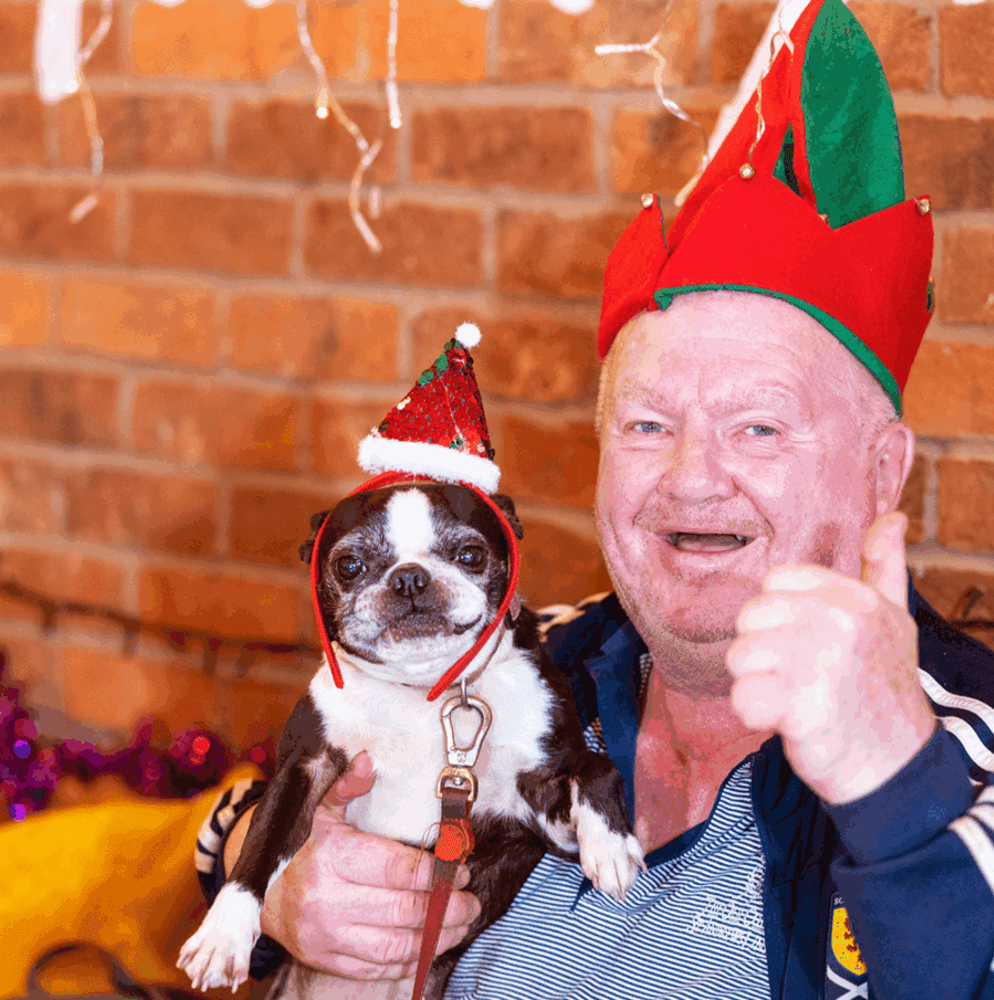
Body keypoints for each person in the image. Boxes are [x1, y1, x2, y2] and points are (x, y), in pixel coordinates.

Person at [194, 1, 994, 996]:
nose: (693, 477)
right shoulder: (528, 658)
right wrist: (281, 900)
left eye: (759, 426)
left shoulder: (968, 740)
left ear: (884, 468)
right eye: (648, 425)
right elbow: (234, 818)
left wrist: (892, 789)